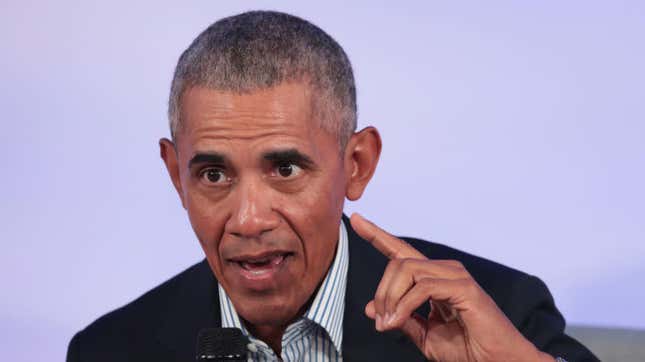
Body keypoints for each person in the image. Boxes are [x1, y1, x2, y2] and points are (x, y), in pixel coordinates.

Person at [66, 10, 598, 362]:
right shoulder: (111, 349)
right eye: (213, 175)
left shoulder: (501, 311)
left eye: (286, 170)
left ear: (358, 164)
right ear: (174, 174)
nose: (249, 219)